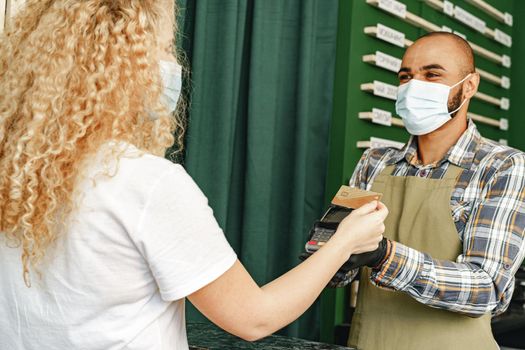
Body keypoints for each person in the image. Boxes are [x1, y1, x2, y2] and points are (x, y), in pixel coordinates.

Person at [0, 1, 387, 349]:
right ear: (125, 63)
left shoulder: (14, 175)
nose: (175, 65)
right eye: (166, 49)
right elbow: (254, 318)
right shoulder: (147, 184)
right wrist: (344, 243)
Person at [336, 32, 525, 350]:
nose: (413, 86)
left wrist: (386, 256)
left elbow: (488, 290)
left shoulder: (504, 166)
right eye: (406, 76)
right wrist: (329, 250)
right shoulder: (373, 162)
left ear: (469, 86)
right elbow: (337, 272)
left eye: (432, 74)